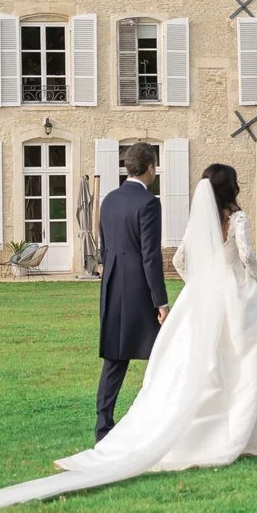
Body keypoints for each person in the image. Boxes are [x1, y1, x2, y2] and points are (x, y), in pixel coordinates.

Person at [0, 162, 257, 509]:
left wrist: (201, 283)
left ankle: (206, 426)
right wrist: (255, 279)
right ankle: (251, 428)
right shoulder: (238, 218)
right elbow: (247, 256)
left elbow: (179, 259)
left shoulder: (200, 221)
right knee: (246, 360)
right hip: (238, 293)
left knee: (200, 364)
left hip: (203, 295)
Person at [92, 142, 167, 444]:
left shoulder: (109, 200)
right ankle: (161, 420)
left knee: (115, 359)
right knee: (162, 354)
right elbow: (151, 256)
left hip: (112, 288)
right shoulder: (149, 203)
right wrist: (160, 301)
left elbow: (104, 247)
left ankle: (102, 427)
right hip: (139, 292)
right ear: (150, 168)